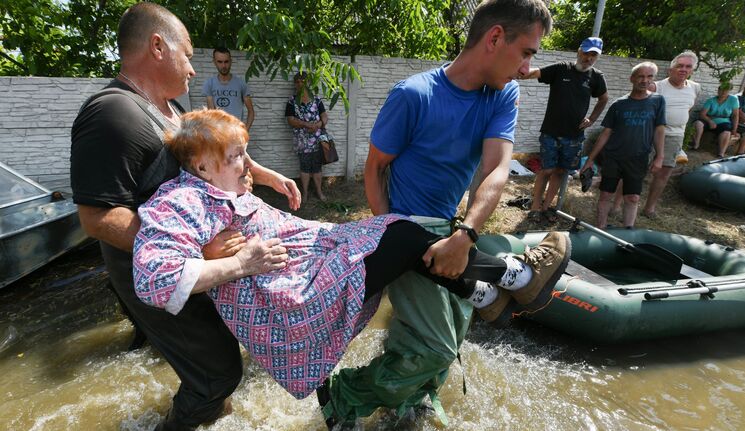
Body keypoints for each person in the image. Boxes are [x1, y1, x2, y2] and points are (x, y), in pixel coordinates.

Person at [133, 108, 564, 403]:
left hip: (311, 266)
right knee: (403, 236)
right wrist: (240, 263)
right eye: (236, 158)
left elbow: (280, 215)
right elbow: (155, 280)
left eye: (245, 153)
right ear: (202, 167)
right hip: (292, 304)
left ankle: (489, 292)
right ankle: (511, 279)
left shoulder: (223, 186)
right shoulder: (180, 203)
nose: (248, 165)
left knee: (402, 236)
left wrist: (275, 190)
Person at [320, 1, 568, 428]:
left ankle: (409, 403)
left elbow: (495, 171)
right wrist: (391, 234)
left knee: (450, 335)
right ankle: (343, 395)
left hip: (452, 232)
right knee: (434, 347)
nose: (529, 66)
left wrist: (466, 234)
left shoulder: (503, 93)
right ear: (494, 39)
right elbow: (375, 168)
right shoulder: (414, 94)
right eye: (526, 51)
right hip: (409, 233)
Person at [70, 4, 300, 430]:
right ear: (158, 46)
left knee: (219, 361)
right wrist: (199, 252)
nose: (194, 69)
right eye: (189, 54)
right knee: (217, 373)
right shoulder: (112, 114)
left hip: (201, 263)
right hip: (159, 272)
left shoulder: (169, 107)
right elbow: (98, 218)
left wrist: (264, 176)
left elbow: (213, 151)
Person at [520, 36, 609, 224]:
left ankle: (546, 208)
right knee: (546, 169)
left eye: (594, 55)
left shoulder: (596, 77)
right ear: (579, 51)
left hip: (574, 136)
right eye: (586, 53)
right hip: (551, 132)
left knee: (560, 172)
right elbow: (535, 73)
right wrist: (516, 71)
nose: (589, 58)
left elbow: (603, 98)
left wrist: (592, 118)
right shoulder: (561, 69)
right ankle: (535, 207)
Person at [581, 62, 666, 229]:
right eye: (641, 76)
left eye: (649, 77)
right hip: (613, 157)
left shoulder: (657, 101)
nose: (644, 80)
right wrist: (590, 160)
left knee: (633, 197)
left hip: (638, 157)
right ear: (632, 78)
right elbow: (606, 133)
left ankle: (628, 231)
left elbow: (659, 129)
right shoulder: (619, 104)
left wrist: (660, 156)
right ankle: (601, 228)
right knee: (606, 194)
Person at [642, 51, 701, 218]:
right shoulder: (656, 86)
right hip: (651, 134)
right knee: (636, 170)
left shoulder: (695, 88)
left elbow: (688, 109)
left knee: (664, 174)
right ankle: (621, 203)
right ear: (671, 69)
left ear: (692, 70)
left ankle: (649, 208)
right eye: (679, 66)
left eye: (688, 67)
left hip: (676, 136)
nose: (683, 69)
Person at [285, 71, 329, 201]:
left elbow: (325, 116)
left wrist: (319, 124)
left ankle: (319, 192)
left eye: (302, 81)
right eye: (297, 82)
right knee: (304, 167)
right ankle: (304, 194)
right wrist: (307, 125)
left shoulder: (316, 100)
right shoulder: (292, 101)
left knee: (317, 167)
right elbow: (290, 120)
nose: (300, 84)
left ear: (308, 83)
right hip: (301, 141)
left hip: (317, 140)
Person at [202, 47, 255, 130]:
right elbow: (211, 113)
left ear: (231, 61)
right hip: (219, 134)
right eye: (220, 62)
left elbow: (251, 111)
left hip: (236, 133)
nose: (223, 66)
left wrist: (245, 132)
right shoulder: (209, 84)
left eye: (226, 62)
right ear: (214, 62)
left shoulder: (241, 84)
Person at [691, 81, 740, 157]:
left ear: (729, 91)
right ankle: (696, 145)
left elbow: (735, 115)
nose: (723, 92)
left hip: (724, 121)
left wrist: (734, 129)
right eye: (721, 90)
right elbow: (702, 114)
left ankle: (721, 153)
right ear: (718, 90)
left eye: (726, 90)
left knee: (726, 132)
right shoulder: (711, 100)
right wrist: (710, 121)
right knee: (698, 123)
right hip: (709, 119)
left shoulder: (733, 100)